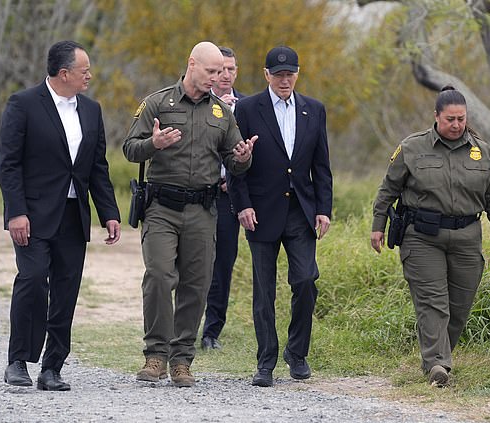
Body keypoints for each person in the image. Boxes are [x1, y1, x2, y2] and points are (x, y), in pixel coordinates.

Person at [122, 41, 256, 388]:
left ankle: (182, 359)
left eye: (222, 72)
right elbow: (129, 148)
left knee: (195, 286)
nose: (218, 77)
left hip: (202, 210)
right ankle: (155, 355)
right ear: (192, 64)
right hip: (162, 208)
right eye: (211, 71)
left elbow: (234, 161)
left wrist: (243, 158)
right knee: (160, 276)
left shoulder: (221, 113)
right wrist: (155, 144)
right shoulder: (158, 103)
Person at [0, 40, 121, 391]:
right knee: (33, 279)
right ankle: (18, 360)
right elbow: (8, 165)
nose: (90, 76)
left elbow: (98, 167)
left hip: (73, 214)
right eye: (84, 71)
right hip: (33, 215)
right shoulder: (23, 104)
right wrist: (16, 212)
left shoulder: (92, 110)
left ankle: (52, 367)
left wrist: (109, 213)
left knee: (66, 290)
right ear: (64, 73)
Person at [370, 85, 490, 387]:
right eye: (450, 119)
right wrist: (378, 224)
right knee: (433, 303)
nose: (456, 125)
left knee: (459, 307)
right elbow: (388, 189)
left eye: (461, 119)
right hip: (422, 236)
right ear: (436, 117)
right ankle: (437, 365)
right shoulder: (412, 147)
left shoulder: (482, 151)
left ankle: (439, 358)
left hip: (467, 237)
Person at [229, 46, 333, 387]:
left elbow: (322, 167)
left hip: (300, 212)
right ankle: (266, 361)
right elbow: (236, 163)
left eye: (290, 74)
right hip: (260, 212)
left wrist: (323, 209)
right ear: (266, 74)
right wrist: (241, 205)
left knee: (305, 280)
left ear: (297, 74)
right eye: (278, 74)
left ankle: (296, 352)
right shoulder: (246, 109)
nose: (284, 79)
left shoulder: (314, 110)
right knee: (264, 291)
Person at [201, 46, 246, 351]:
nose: (226, 75)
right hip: (198, 193)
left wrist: (237, 178)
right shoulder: (197, 102)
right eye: (220, 70)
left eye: (231, 69)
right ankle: (183, 323)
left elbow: (253, 153)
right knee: (192, 261)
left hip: (228, 195)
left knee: (223, 264)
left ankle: (211, 331)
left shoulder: (248, 106)